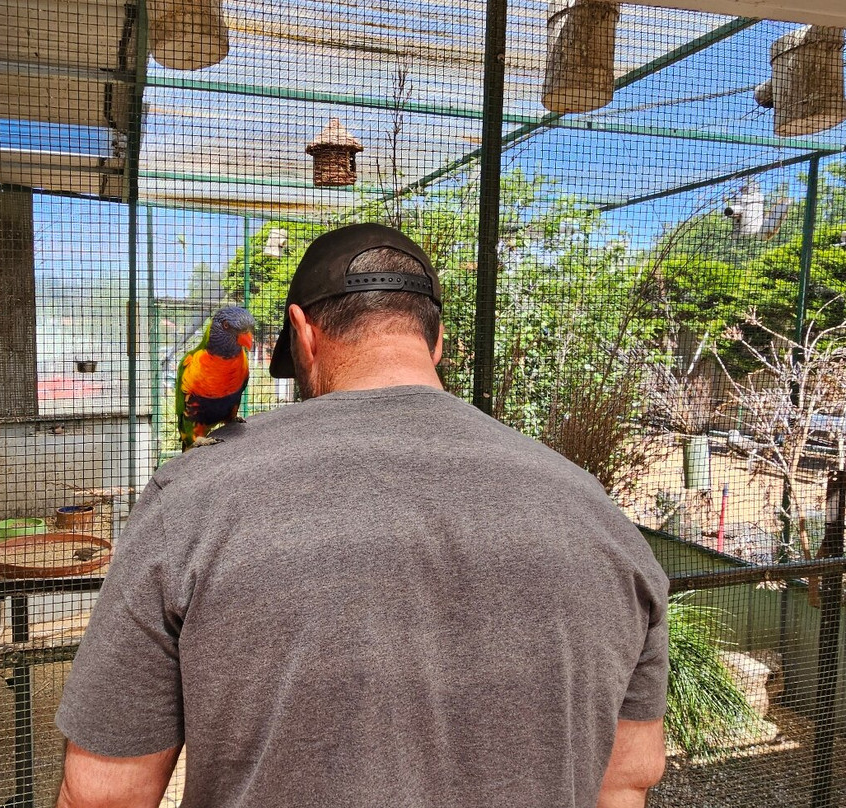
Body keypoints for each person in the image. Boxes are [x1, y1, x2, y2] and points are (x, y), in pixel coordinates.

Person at [55, 223, 669, 808]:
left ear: (303, 334)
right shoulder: (600, 514)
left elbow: (104, 793)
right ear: (437, 340)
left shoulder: (191, 500)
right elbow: (625, 785)